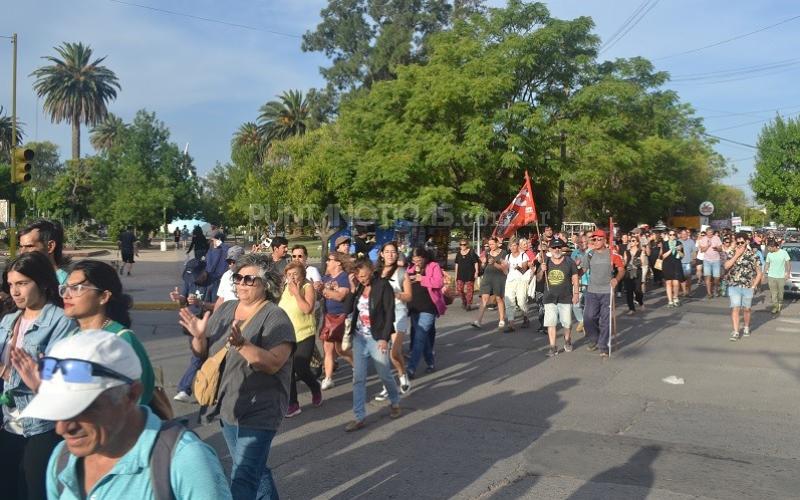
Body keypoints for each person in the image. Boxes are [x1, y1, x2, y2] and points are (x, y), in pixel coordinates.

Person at [19, 331, 232, 500]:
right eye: (57, 409)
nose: (62, 428)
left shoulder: (184, 460)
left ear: (131, 395)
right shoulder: (63, 458)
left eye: (80, 409)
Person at [179, 253, 294, 500]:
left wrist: (242, 344)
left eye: (249, 279)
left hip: (261, 408)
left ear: (267, 284)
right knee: (254, 470)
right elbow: (204, 355)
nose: (241, 283)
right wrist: (199, 338)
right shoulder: (227, 309)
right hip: (229, 403)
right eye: (238, 278)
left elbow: (274, 363)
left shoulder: (276, 317)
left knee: (243, 475)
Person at [0, 252, 76, 500]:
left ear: (43, 282)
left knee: (35, 492)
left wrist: (34, 377)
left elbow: (63, 375)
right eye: (11, 284)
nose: (15, 291)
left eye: (22, 283)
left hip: (41, 425)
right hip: (7, 423)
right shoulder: (8, 321)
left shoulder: (62, 322)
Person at [170, 246, 244, 403]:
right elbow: (184, 299)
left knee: (206, 356)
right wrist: (179, 299)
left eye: (233, 261)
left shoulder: (216, 281)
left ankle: (187, 389)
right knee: (201, 356)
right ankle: (207, 389)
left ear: (204, 271)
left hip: (211, 322)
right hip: (192, 323)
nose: (194, 281)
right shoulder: (192, 280)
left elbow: (217, 304)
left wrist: (201, 303)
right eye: (229, 262)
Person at [343, 260, 402, 432]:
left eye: (363, 275)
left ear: (371, 271)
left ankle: (395, 401)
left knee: (384, 373)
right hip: (359, 338)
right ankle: (359, 417)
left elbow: (390, 312)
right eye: (358, 276)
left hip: (377, 338)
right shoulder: (359, 287)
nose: (361, 279)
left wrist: (384, 338)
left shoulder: (383, 286)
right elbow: (347, 309)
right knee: (358, 378)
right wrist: (352, 289)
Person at [279, 262, 322, 418]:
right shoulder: (285, 289)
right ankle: (293, 404)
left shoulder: (307, 287)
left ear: (303, 275)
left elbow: (307, 309)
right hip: (287, 335)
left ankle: (315, 387)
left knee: (301, 367)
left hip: (304, 333)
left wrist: (297, 293)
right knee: (288, 370)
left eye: (295, 274)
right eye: (289, 274)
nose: (292, 277)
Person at [374, 242, 412, 401]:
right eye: (387, 251)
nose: (390, 254)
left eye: (393, 252)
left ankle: (402, 375)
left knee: (394, 353)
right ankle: (387, 386)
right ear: (381, 254)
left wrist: (396, 294)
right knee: (382, 355)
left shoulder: (402, 273)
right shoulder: (376, 273)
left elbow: (409, 296)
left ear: (397, 255)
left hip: (398, 313)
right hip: (381, 315)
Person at [404, 246, 446, 378]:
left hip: (428, 308)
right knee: (424, 338)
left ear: (425, 258)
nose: (416, 262)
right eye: (414, 259)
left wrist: (421, 278)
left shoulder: (433, 266)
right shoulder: (409, 268)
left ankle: (411, 368)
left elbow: (438, 283)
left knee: (419, 337)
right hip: (414, 308)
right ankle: (430, 362)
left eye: (419, 259)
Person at [583, 230, 625, 358]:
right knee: (589, 318)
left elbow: (622, 270)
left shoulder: (612, 255)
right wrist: (573, 274)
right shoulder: (589, 254)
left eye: (598, 239)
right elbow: (583, 270)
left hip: (607, 291)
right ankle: (594, 338)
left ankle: (603, 346)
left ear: (605, 240)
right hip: (592, 291)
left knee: (605, 321)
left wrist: (616, 279)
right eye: (593, 240)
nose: (595, 242)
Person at [316, 252, 354, 390]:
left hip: (341, 317)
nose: (327, 262)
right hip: (328, 316)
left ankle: (357, 366)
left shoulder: (344, 277)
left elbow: (340, 296)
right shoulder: (326, 277)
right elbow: (322, 295)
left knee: (341, 349)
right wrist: (317, 290)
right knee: (328, 349)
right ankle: (328, 378)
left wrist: (324, 290)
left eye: (329, 260)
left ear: (338, 263)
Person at [537, 239, 579, 356]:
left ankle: (567, 341)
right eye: (554, 247)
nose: (557, 249)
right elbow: (538, 278)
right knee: (551, 323)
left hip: (565, 296)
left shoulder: (569, 261)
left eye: (559, 247)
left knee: (567, 323)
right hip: (549, 297)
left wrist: (576, 294)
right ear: (550, 249)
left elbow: (575, 278)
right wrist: (541, 270)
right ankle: (552, 347)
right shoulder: (546, 261)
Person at [723, 232, 763, 341]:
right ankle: (736, 331)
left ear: (747, 242)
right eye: (738, 242)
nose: (740, 244)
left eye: (742, 242)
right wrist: (736, 255)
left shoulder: (753, 255)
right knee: (735, 308)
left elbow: (759, 273)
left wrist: (754, 286)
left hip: (748, 286)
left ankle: (746, 326)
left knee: (747, 309)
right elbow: (726, 266)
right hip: (734, 285)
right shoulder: (731, 253)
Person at [471, 237, 508, 330]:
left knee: (499, 298)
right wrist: (483, 264)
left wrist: (494, 263)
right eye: (489, 244)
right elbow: (483, 267)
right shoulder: (487, 252)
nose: (490, 246)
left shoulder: (503, 253)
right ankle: (478, 321)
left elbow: (504, 268)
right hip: (487, 277)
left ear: (497, 244)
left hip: (499, 278)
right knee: (484, 298)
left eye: (492, 244)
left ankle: (501, 320)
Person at [18, 219, 70, 285]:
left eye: (29, 246)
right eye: (21, 246)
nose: (22, 252)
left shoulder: (67, 285)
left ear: (50, 246)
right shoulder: (21, 278)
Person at [503, 237, 530, 331]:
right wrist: (504, 267)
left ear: (518, 246)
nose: (514, 247)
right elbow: (505, 271)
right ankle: (511, 324)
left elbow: (524, 269)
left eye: (515, 245)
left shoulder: (523, 255)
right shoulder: (508, 257)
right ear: (509, 247)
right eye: (512, 246)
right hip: (510, 281)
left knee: (521, 301)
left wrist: (518, 267)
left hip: (521, 281)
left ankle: (525, 316)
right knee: (509, 301)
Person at [764, 239, 791, 314]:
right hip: (771, 276)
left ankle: (780, 303)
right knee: (773, 293)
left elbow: (788, 263)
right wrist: (763, 274)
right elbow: (767, 264)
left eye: (769, 248)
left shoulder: (784, 253)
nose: (768, 249)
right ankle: (775, 307)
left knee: (780, 294)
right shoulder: (769, 254)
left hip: (781, 276)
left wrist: (788, 273)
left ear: (774, 247)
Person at [659, 230, 685, 307]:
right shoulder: (664, 244)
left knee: (676, 283)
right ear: (668, 235)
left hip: (676, 264)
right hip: (667, 265)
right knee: (668, 283)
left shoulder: (679, 243)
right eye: (670, 235)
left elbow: (682, 255)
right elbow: (663, 256)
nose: (672, 236)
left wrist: (679, 250)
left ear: (675, 235)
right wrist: (671, 249)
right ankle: (670, 301)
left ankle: (675, 298)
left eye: (673, 234)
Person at [622, 236, 647, 314]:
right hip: (628, 272)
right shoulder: (626, 251)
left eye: (633, 241)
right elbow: (625, 261)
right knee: (629, 291)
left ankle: (640, 302)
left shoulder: (641, 251)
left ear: (637, 242)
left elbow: (642, 262)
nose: (631, 242)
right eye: (630, 241)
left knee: (637, 290)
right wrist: (622, 263)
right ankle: (631, 308)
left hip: (637, 272)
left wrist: (634, 263)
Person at [453, 239, 479, 311]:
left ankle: (468, 304)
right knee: (459, 289)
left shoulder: (471, 252)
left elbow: (475, 262)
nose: (462, 246)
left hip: (470, 274)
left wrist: (476, 272)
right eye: (461, 244)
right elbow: (456, 264)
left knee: (469, 290)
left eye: (464, 244)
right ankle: (464, 301)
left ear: (467, 245)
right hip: (460, 274)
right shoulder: (458, 253)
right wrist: (456, 275)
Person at [204, 231, 230, 303]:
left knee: (216, 303)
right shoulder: (210, 250)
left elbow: (231, 252)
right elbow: (207, 265)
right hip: (209, 280)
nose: (212, 242)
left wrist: (221, 245)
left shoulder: (225, 250)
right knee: (207, 302)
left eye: (213, 239)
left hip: (219, 281)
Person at [698, 229, 724, 298]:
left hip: (716, 260)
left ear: (713, 233)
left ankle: (715, 289)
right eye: (708, 233)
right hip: (707, 260)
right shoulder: (703, 239)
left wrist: (717, 248)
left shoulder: (716, 238)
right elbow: (702, 250)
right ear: (706, 233)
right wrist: (708, 245)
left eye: (711, 232)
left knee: (717, 278)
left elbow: (721, 249)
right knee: (707, 277)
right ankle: (709, 293)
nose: (710, 234)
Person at [678, 228, 696, 297]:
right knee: (681, 278)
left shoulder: (691, 241)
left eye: (685, 234)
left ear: (687, 234)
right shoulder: (678, 241)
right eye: (682, 234)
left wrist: (694, 259)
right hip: (680, 262)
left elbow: (694, 251)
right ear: (680, 235)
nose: (684, 235)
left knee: (688, 278)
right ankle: (684, 291)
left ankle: (689, 291)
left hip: (688, 262)